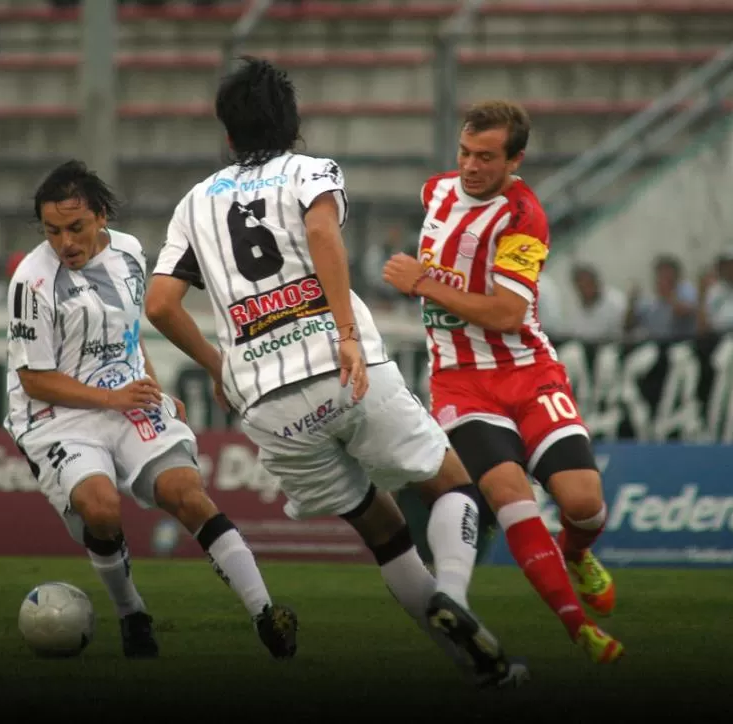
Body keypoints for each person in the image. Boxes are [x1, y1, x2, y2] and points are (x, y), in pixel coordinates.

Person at [145, 57, 528, 688]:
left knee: (381, 530)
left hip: (267, 405)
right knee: (453, 483)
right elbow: (322, 229)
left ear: (229, 133)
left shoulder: (194, 204)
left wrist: (219, 365)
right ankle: (453, 595)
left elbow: (160, 304)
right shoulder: (310, 171)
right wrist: (347, 334)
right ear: (294, 125)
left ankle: (482, 669)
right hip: (342, 366)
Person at [4, 160, 296, 661]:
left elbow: (127, 337)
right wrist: (112, 399)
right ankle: (131, 612)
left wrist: (152, 387)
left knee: (186, 491)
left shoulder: (131, 253)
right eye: (52, 231)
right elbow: (34, 378)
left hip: (124, 394)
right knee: (101, 508)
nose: (64, 242)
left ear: (100, 217)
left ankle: (267, 613)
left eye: (75, 228)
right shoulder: (31, 282)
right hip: (57, 414)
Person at [381, 100, 623, 664]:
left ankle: (577, 550)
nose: (470, 166)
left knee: (585, 505)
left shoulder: (523, 218)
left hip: (527, 371)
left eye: (486, 157)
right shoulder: (434, 192)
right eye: (465, 152)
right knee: (510, 497)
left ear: (516, 160)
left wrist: (422, 283)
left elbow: (508, 314)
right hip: (461, 384)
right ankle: (578, 629)